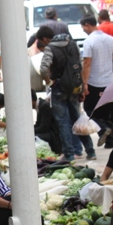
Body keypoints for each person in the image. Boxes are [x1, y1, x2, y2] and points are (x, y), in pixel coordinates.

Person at [37, 26, 96, 161]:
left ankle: (69, 154)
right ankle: (90, 151)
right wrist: (81, 87)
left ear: (45, 39)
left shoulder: (50, 48)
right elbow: (79, 66)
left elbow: (43, 69)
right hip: (74, 88)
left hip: (59, 89)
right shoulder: (72, 44)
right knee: (77, 119)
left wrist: (49, 82)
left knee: (63, 122)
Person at [80, 14, 113, 147]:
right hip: (109, 80)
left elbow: (87, 63)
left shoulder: (89, 41)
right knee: (106, 110)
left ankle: (102, 129)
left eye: (83, 27)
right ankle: (110, 141)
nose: (83, 30)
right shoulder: (110, 39)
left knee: (89, 108)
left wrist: (85, 83)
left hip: (94, 81)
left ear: (87, 25)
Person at [32, 89, 61, 154]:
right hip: (47, 131)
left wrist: (30, 132)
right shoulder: (40, 105)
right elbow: (38, 124)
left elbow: (43, 128)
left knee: (35, 138)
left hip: (53, 134)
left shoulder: (44, 106)